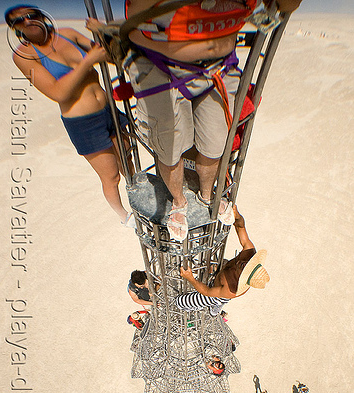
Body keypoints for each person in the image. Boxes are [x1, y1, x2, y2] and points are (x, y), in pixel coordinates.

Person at [117, 0, 303, 240]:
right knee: (169, 148)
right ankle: (179, 202)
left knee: (215, 144)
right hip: (162, 67)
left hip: (218, 69)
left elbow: (287, 4)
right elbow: (135, 24)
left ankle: (208, 195)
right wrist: (173, 50)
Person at [5, 4, 135, 227]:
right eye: (19, 21)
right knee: (111, 177)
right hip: (83, 123)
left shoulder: (67, 34)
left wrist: (103, 32)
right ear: (15, 28)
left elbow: (111, 57)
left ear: (41, 16)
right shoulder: (23, 55)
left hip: (108, 109)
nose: (27, 21)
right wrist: (87, 61)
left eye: (31, 15)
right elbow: (58, 92)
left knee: (128, 160)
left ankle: (139, 202)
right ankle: (124, 216)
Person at [176, 204, 269, 315]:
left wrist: (190, 278)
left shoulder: (231, 289)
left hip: (217, 293)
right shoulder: (249, 254)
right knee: (205, 253)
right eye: (248, 263)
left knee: (181, 302)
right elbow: (240, 227)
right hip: (223, 271)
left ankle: (216, 307)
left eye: (244, 268)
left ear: (242, 277)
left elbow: (206, 291)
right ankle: (215, 275)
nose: (243, 263)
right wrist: (237, 216)